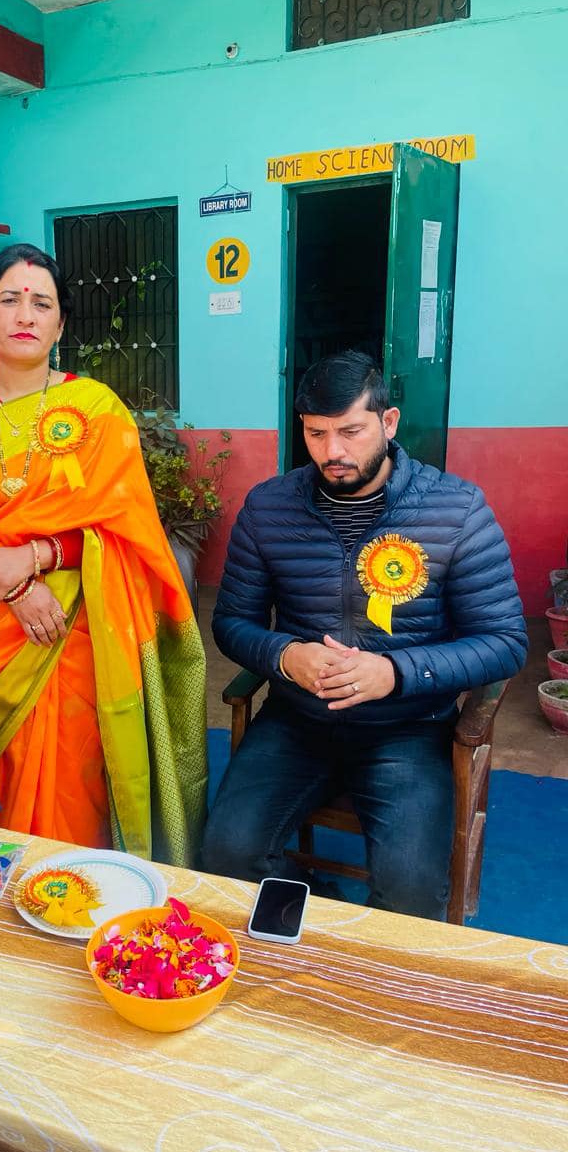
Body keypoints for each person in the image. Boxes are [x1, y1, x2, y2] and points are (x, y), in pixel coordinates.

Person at [0, 243, 207, 865]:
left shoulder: (95, 408)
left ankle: (75, 883)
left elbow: (125, 527)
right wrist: (10, 585)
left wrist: (38, 556)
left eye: (41, 303)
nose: (25, 315)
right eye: (9, 300)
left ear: (61, 323)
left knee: (75, 770)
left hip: (73, 623)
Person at [202, 350, 527, 919]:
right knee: (224, 855)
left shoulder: (455, 510)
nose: (332, 451)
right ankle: (313, 902)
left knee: (410, 894)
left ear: (388, 422)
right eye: (316, 433)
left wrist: (396, 673)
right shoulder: (268, 508)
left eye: (350, 431)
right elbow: (231, 622)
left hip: (407, 729)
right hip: (298, 721)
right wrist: (285, 655)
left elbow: (504, 641)